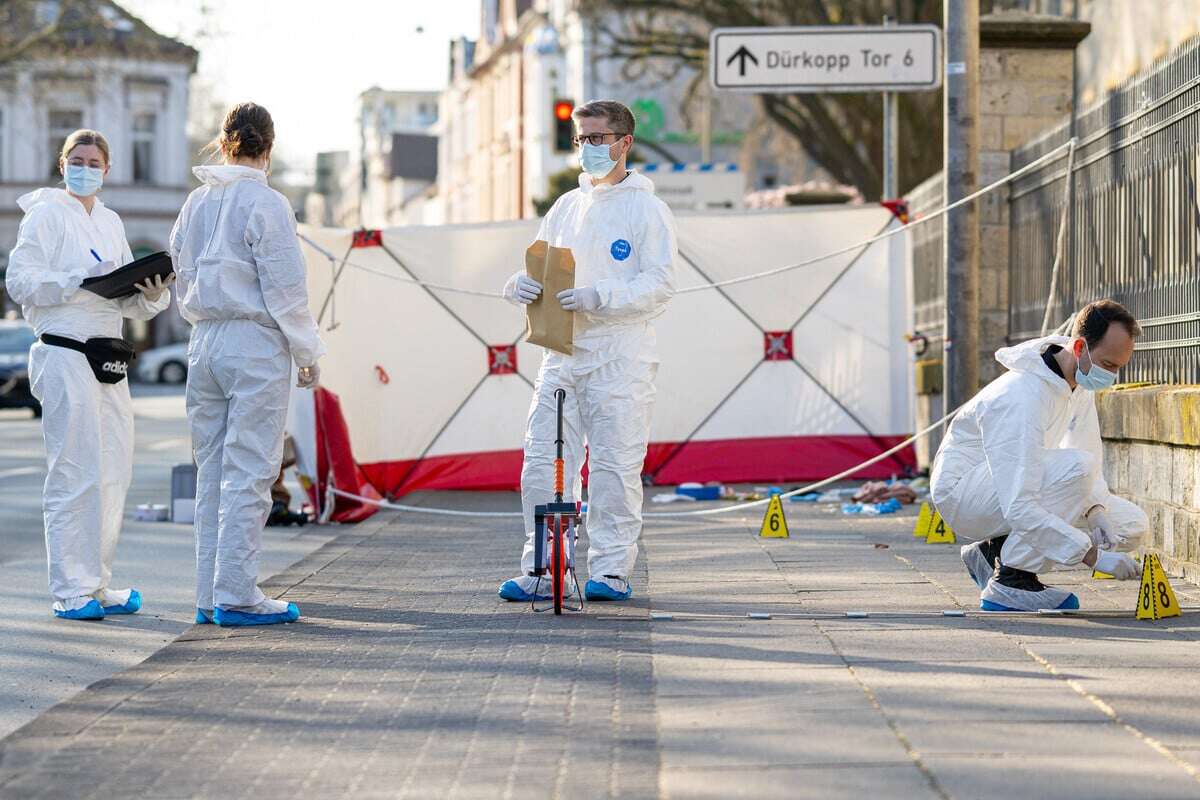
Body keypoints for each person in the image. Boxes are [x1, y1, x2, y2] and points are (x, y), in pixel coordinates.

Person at [498, 100, 677, 603]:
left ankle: (611, 570)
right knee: (541, 463)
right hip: (561, 355)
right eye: (581, 140)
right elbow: (540, 264)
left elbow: (661, 285)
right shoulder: (567, 207)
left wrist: (606, 297)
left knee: (615, 467)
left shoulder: (646, 210)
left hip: (620, 358)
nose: (588, 149)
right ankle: (544, 566)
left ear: (624, 143)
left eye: (597, 139)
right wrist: (521, 286)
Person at [7, 129, 174, 620]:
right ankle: (70, 590)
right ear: (62, 165)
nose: (85, 167)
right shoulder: (45, 214)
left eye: (94, 161)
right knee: (74, 471)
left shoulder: (110, 220)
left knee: (111, 471)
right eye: (76, 159)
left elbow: (129, 302)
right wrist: (80, 285)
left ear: (107, 169)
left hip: (107, 356)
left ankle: (97, 582)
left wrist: (148, 292)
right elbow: (20, 282)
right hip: (63, 351)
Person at [170, 103, 324, 627]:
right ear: (270, 146)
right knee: (251, 470)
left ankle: (210, 594)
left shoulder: (196, 202)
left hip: (203, 340)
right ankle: (237, 593)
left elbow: (178, 267)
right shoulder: (268, 202)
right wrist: (306, 350)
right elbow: (285, 286)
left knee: (211, 471)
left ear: (224, 140)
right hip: (253, 342)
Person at [931, 300, 1148, 612]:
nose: (1111, 375)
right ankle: (1012, 580)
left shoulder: (1079, 383)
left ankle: (993, 551)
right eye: (1108, 365)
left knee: (1128, 525)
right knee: (1077, 468)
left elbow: (1087, 450)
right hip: (966, 495)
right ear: (1078, 347)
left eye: (1118, 367)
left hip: (1013, 485)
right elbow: (1020, 504)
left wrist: (1097, 510)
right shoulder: (1021, 397)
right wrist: (1094, 557)